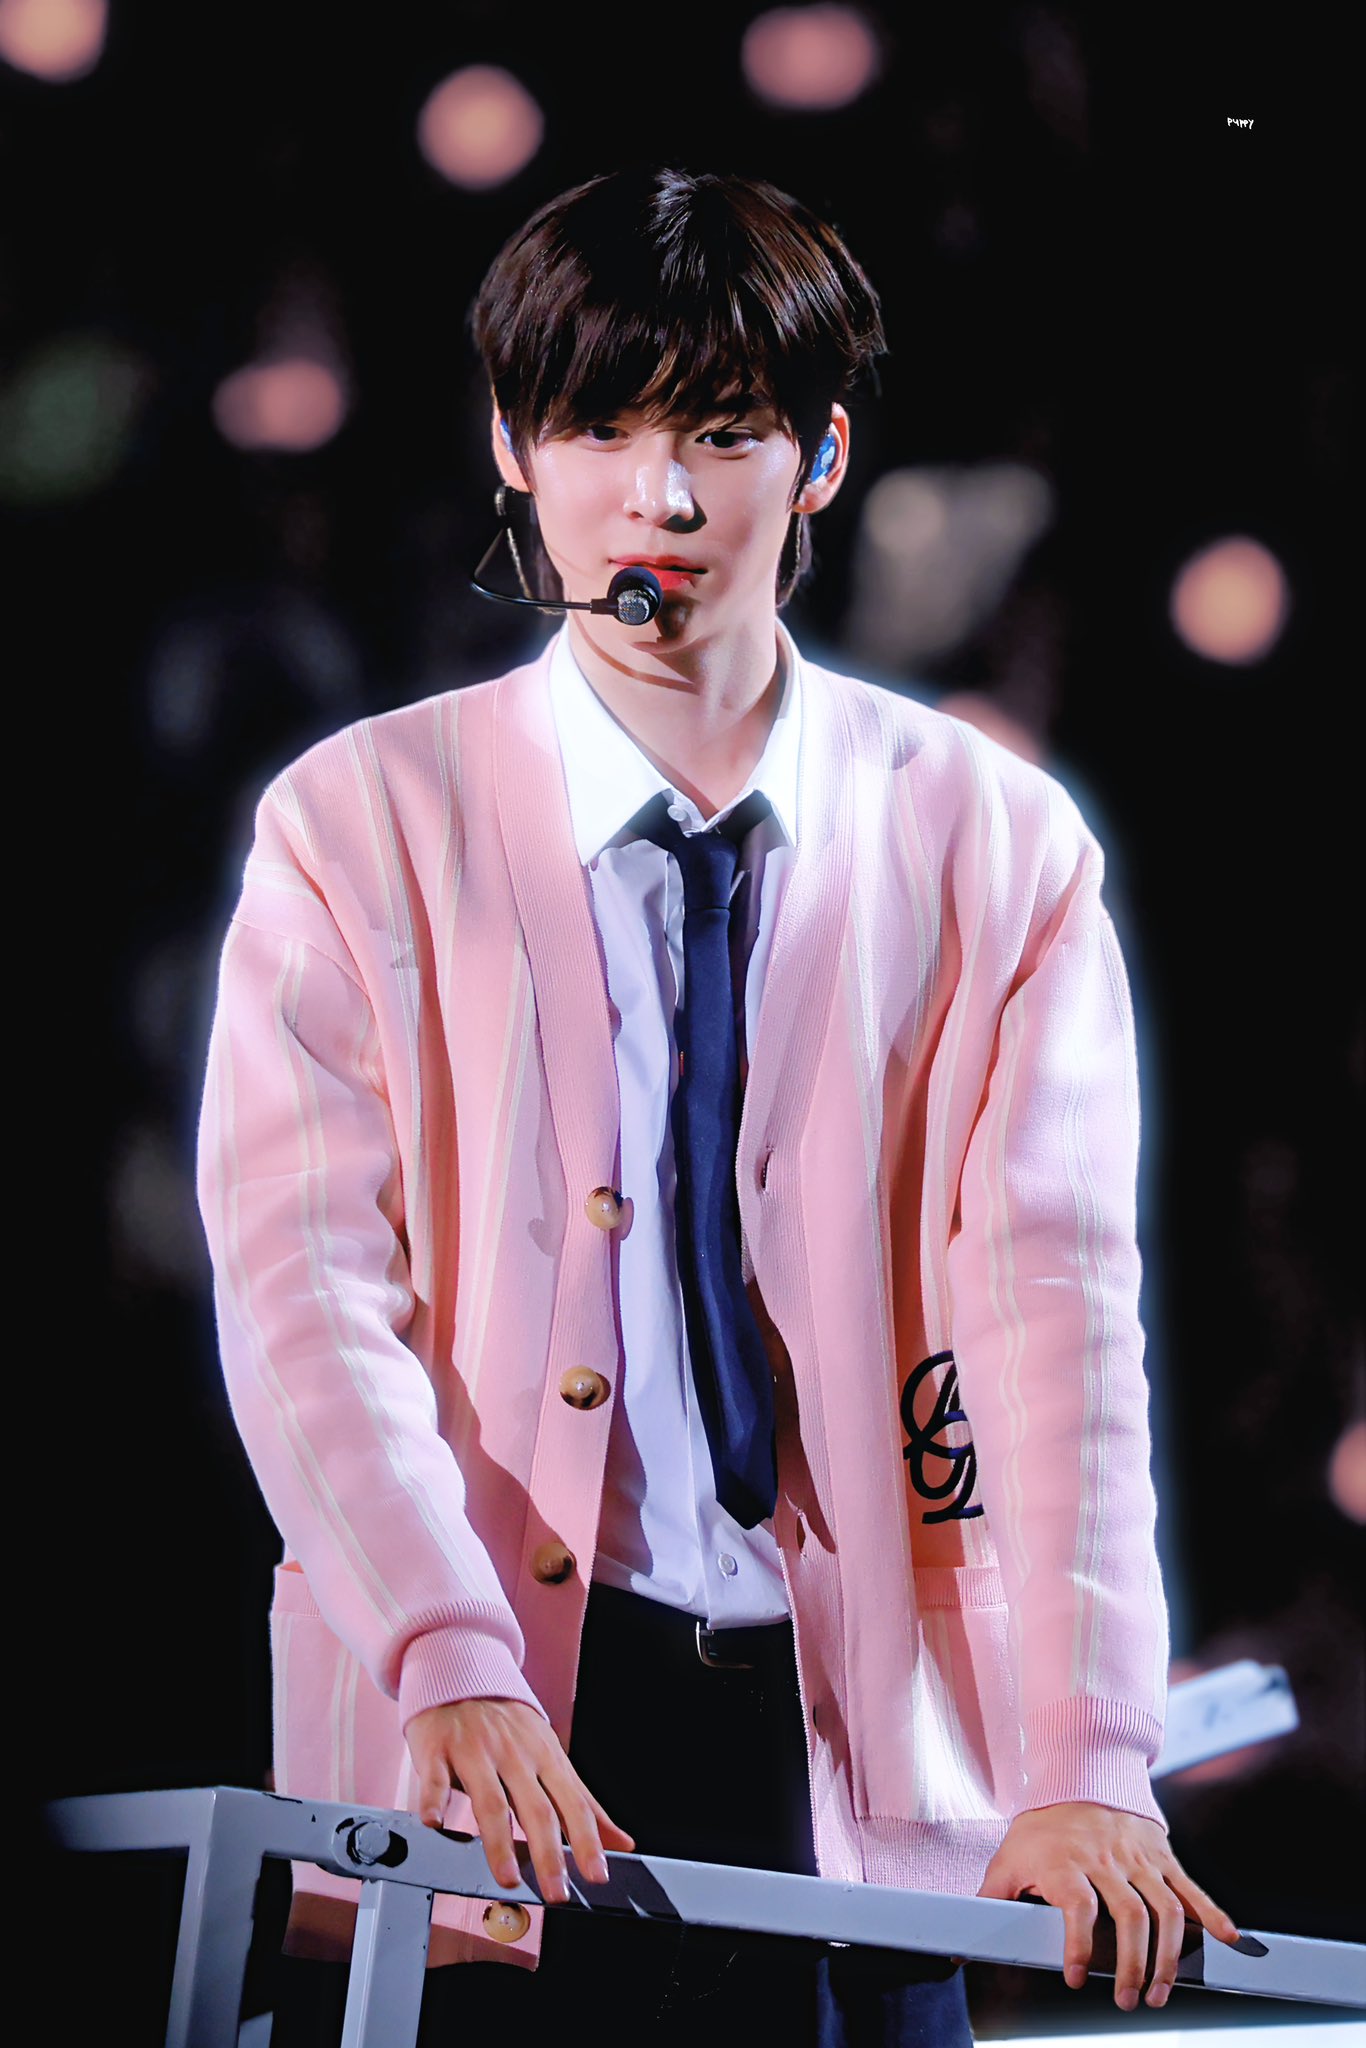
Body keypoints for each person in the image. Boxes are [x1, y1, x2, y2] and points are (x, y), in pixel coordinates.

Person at [196, 165, 1240, 2046]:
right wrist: (443, 1646)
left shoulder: (993, 842)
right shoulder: (360, 821)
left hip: (864, 1742)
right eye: (598, 430)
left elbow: (1058, 1317)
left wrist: (1089, 1754)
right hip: (486, 1742)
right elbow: (303, 1292)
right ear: (512, 447)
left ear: (819, 458)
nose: (659, 501)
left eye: (723, 435)